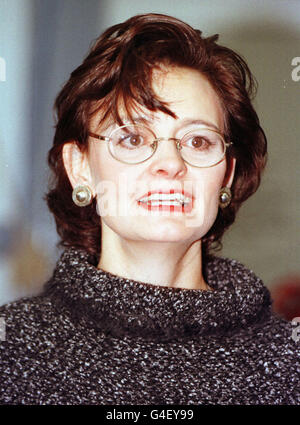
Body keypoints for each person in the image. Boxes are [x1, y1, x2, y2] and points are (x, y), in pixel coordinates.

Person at [0, 13, 298, 405]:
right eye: (134, 137)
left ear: (226, 176)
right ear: (80, 168)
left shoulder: (288, 362)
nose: (171, 164)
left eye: (198, 142)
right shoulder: (12, 349)